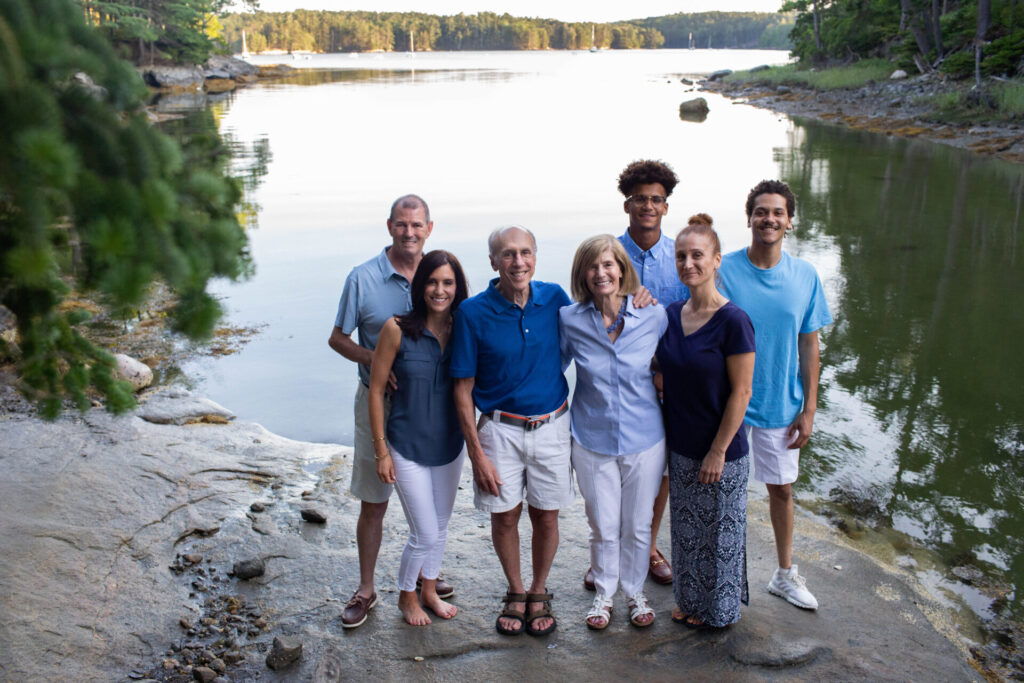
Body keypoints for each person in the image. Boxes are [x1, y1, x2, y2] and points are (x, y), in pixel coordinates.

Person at [327, 194, 454, 629]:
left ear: (429, 228)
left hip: (429, 407)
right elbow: (337, 339)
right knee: (374, 500)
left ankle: (426, 576)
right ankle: (366, 589)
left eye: (417, 225)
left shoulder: (437, 274)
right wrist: (376, 359)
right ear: (389, 226)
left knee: (433, 505)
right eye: (402, 225)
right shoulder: (362, 278)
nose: (410, 232)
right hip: (378, 402)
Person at [451, 225, 573, 637]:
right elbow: (462, 389)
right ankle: (516, 590)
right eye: (507, 254)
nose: (517, 262)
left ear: (535, 257)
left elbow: (600, 313)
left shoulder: (555, 298)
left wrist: (638, 296)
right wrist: (476, 454)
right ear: (493, 262)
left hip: (552, 425)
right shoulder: (472, 312)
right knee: (504, 517)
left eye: (524, 253)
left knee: (546, 514)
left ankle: (539, 589)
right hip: (499, 431)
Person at [718, 180, 833, 611]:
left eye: (777, 212)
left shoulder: (805, 276)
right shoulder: (722, 269)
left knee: (781, 491)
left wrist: (810, 408)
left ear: (789, 221)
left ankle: (784, 575)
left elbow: (810, 345)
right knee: (722, 491)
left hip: (781, 404)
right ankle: (716, 573)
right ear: (749, 217)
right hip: (728, 403)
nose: (769, 219)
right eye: (761, 211)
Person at [581, 159, 688, 591]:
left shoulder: (679, 255)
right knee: (608, 470)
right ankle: (605, 557)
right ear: (627, 204)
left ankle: (646, 547)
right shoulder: (610, 254)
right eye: (640, 198)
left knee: (656, 471)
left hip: (669, 380)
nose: (648, 206)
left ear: (666, 206)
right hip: (617, 384)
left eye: (656, 199)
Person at [559, 235, 667, 630]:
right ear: (582, 275)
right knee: (603, 525)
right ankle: (604, 594)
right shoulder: (569, 319)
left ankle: (635, 591)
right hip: (591, 439)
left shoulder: (654, 316)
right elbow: (550, 366)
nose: (601, 273)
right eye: (592, 266)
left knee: (638, 525)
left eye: (608, 264)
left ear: (622, 269)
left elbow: (670, 366)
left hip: (646, 438)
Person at [656, 218, 755, 629]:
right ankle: (690, 601)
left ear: (716, 260)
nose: (688, 263)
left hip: (722, 452)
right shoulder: (671, 314)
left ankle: (720, 612)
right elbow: (659, 367)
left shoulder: (733, 321)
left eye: (697, 255)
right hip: (681, 445)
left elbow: (742, 392)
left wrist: (717, 450)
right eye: (681, 256)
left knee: (720, 537)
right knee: (686, 532)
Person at [369, 250, 468, 626]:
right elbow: (376, 390)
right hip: (406, 445)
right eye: (432, 281)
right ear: (419, 285)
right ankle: (406, 596)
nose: (439, 290)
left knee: (440, 527)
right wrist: (381, 451)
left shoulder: (464, 327)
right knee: (423, 531)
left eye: (448, 282)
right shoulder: (396, 328)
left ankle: (429, 589)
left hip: (449, 445)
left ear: (457, 288)